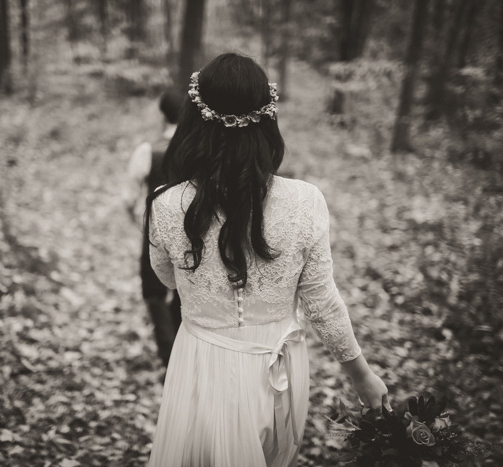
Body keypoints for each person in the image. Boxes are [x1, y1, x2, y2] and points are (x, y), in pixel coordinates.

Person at [144, 53, 389, 467]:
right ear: (267, 119)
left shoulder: (166, 205)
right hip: (281, 367)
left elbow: (167, 280)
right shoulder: (305, 201)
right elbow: (321, 302)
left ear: (195, 120)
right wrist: (361, 375)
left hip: (202, 361)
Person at [124, 88, 183, 367]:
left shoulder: (148, 151)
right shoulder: (200, 152)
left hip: (155, 233)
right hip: (191, 233)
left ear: (162, 115)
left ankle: (168, 353)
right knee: (183, 292)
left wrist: (138, 222)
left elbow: (129, 198)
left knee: (153, 293)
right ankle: (178, 350)